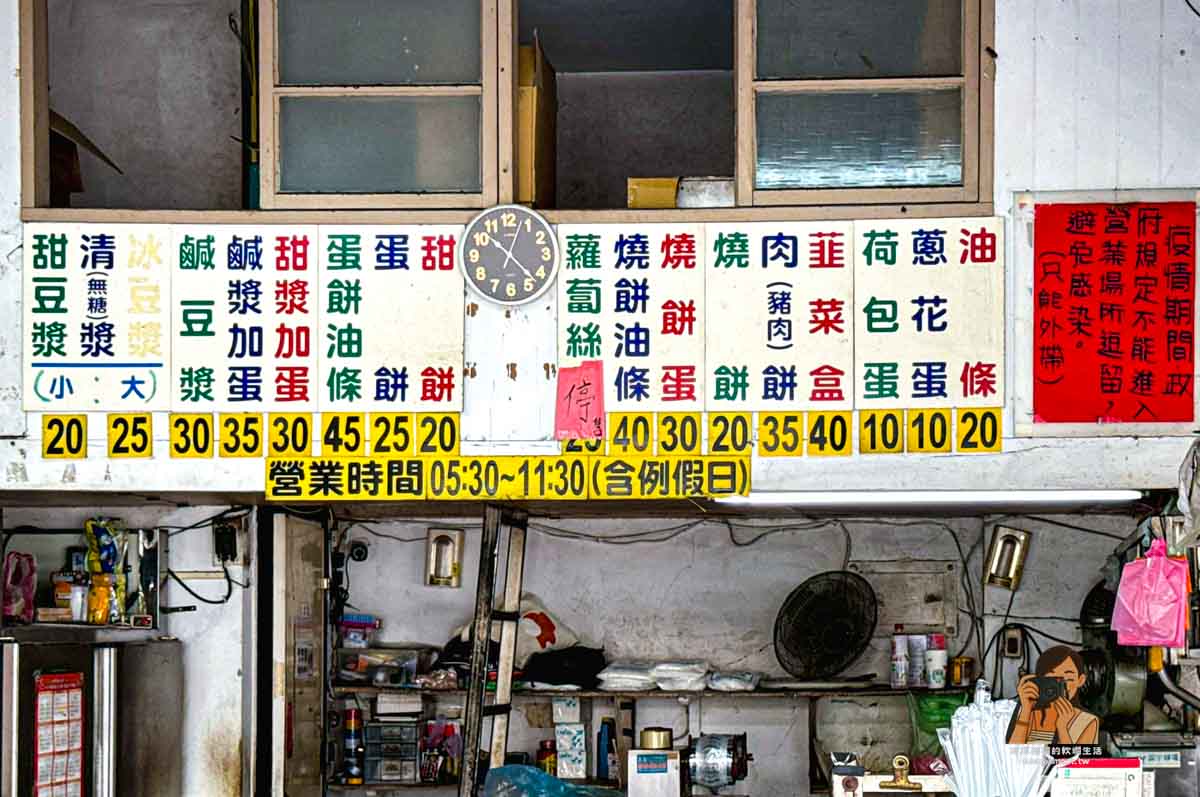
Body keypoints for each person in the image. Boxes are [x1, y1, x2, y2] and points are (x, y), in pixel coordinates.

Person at [1007, 646, 1099, 745]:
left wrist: (1062, 728)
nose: (1060, 686)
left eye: (1068, 679)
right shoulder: (1027, 711)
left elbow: (1078, 761)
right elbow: (1012, 754)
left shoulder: (1087, 721)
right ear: (1040, 680)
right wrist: (1025, 710)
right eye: (1052, 679)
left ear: (1080, 680)